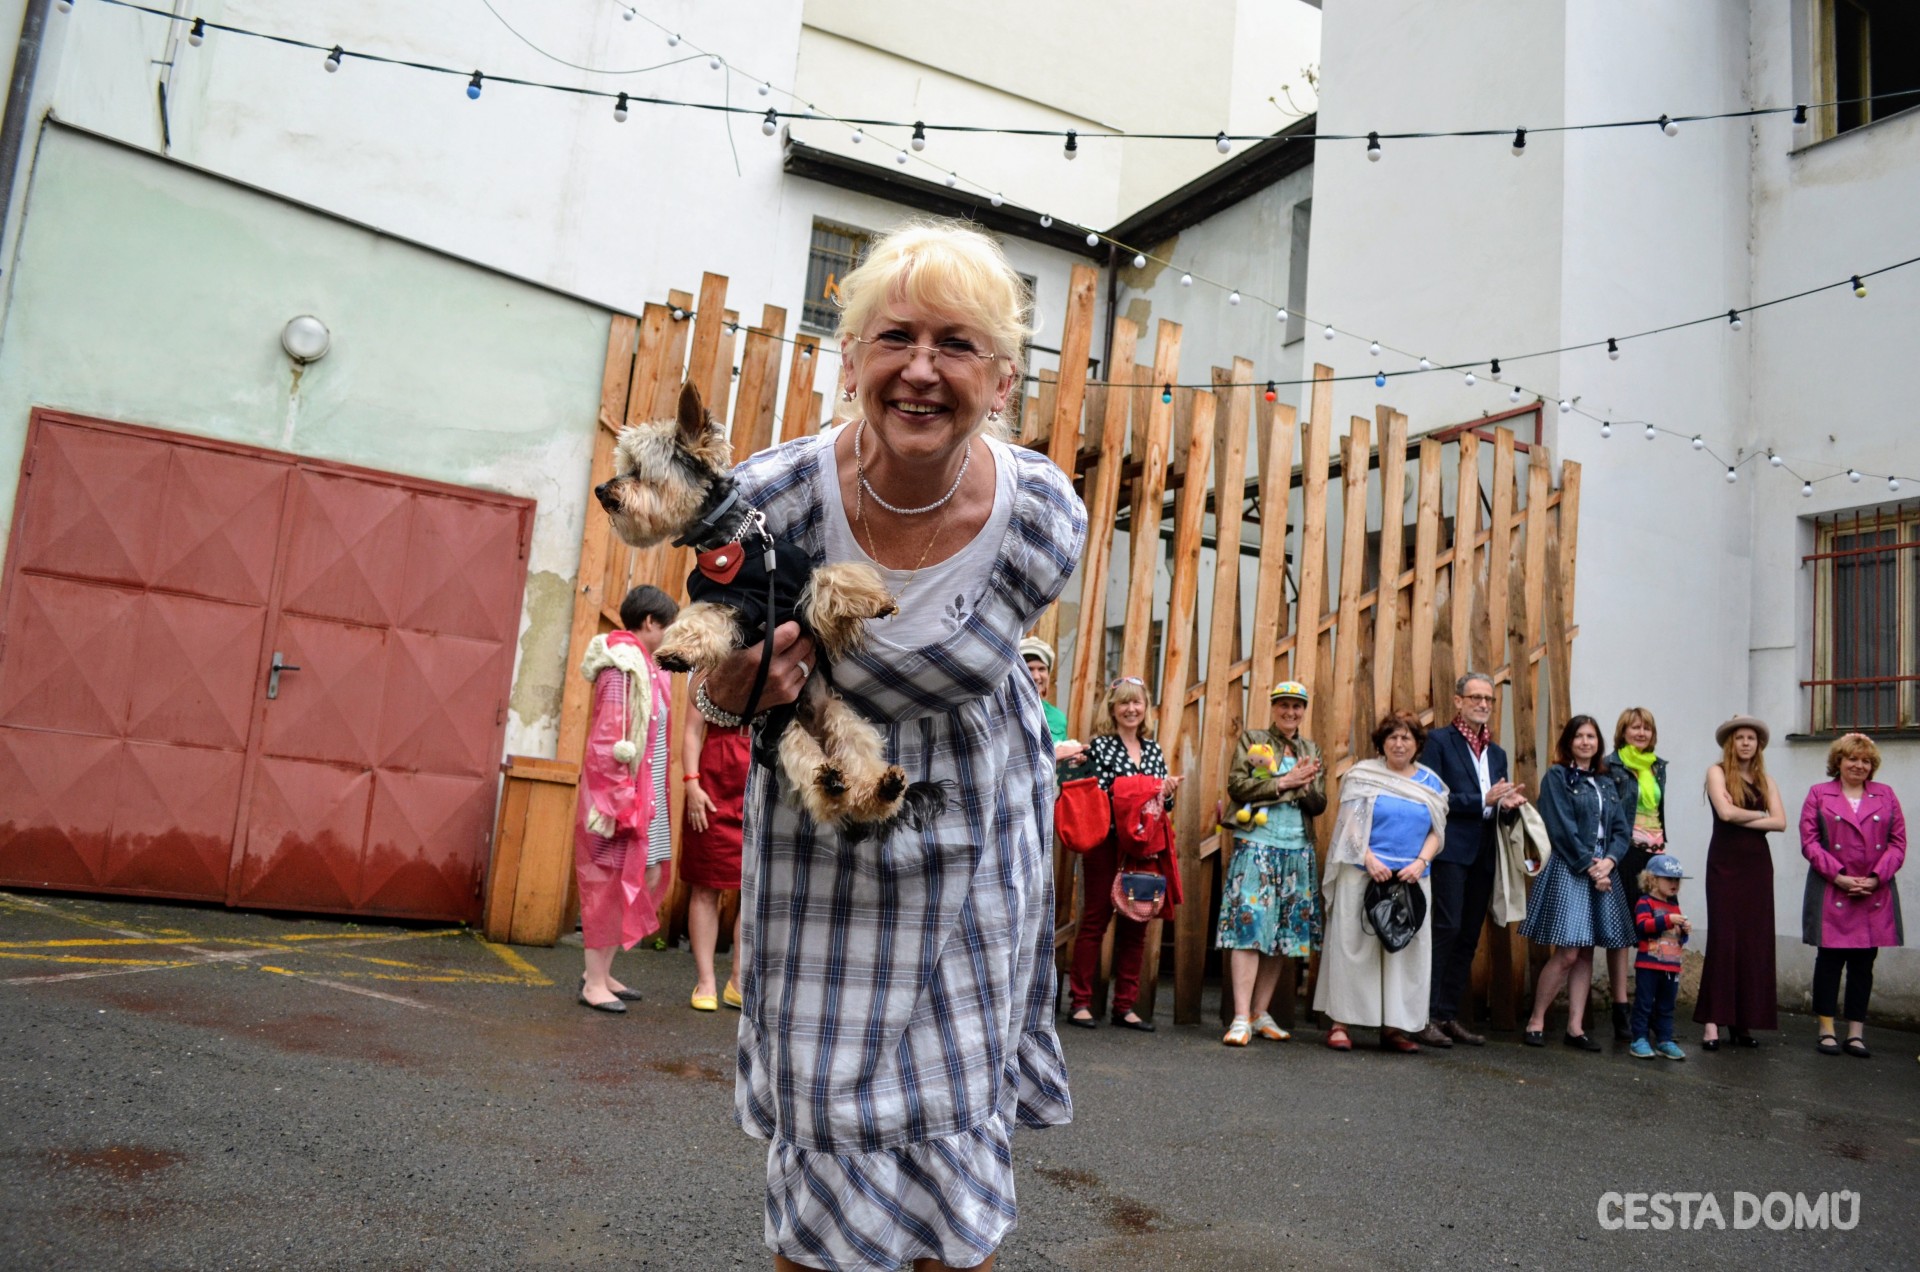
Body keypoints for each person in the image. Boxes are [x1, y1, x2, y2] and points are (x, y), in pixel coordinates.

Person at [699, 221, 1087, 1272]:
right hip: (827, 852)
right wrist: (735, 688)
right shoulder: (774, 503)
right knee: (824, 1143)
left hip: (978, 848)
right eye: (896, 338)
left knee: (955, 1145)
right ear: (851, 359)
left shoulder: (1038, 513)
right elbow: (719, 697)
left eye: (956, 344)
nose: (921, 369)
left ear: (1001, 379)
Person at [1314, 711, 1448, 1054]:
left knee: (1404, 954)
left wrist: (1421, 862)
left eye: (1406, 738)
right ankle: (1341, 1024)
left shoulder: (1432, 783)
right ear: (1382, 743)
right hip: (1364, 874)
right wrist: (1368, 858)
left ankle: (1394, 1028)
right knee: (1355, 949)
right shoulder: (1363, 776)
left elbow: (1437, 831)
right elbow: (1349, 826)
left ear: (1417, 744)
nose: (1399, 744)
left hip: (1411, 879)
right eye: (1392, 737)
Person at [573, 585, 679, 1013]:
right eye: (668, 626)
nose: (671, 635)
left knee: (646, 875)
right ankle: (593, 981)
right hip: (625, 797)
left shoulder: (649, 667)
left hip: (649, 795)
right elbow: (608, 739)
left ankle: (601, 971)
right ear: (650, 622)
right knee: (609, 884)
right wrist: (618, 800)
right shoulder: (621, 666)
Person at [1417, 673, 1526, 1048]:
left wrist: (1508, 805)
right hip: (1449, 850)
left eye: (1488, 699)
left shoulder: (1497, 753)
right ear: (1458, 701)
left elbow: (1496, 803)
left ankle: (1447, 1015)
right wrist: (1483, 800)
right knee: (1445, 929)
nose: (1483, 704)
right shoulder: (1438, 742)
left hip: (1485, 851)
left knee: (1467, 935)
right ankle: (1423, 1016)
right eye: (1475, 697)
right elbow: (1432, 797)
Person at [1069, 676, 1181, 1032]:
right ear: (1113, 709)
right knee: (1095, 921)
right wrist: (1151, 788)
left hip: (1145, 847)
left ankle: (1125, 1005)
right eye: (1124, 703)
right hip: (1106, 843)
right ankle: (1080, 1001)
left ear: (1145, 708)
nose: (1131, 709)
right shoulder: (1100, 747)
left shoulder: (1153, 749)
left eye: (1137, 702)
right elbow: (1103, 793)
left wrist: (1166, 792)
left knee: (1138, 923)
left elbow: (1164, 806)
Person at [1217, 681, 1326, 1046]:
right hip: (1257, 844)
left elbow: (1319, 804)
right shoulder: (1253, 739)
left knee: (1283, 934)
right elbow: (1238, 786)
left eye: (1297, 706)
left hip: (1297, 849)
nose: (1290, 712)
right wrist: (1285, 782)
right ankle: (1239, 1017)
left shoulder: (1311, 749)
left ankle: (1259, 1013)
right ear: (1274, 707)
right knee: (1248, 928)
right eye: (1284, 705)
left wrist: (1304, 786)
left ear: (1304, 711)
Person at [1520, 715, 1633, 1052]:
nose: (1586, 742)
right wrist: (1590, 867)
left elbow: (1621, 830)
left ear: (1599, 743)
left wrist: (1610, 861)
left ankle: (1575, 1027)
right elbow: (1560, 827)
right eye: (1579, 736)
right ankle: (1536, 1020)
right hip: (1572, 867)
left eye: (1591, 736)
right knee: (1568, 952)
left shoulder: (1606, 782)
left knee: (1586, 950)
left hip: (1603, 867)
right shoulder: (1557, 777)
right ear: (1569, 742)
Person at [1799, 733, 1907, 1059]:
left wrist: (1875, 878)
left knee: (1863, 965)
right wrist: (1839, 876)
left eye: (1866, 761)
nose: (1859, 765)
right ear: (1839, 762)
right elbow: (1810, 842)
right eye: (1853, 759)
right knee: (1829, 963)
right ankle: (1826, 1029)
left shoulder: (1886, 795)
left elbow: (1897, 843)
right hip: (1833, 887)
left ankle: (1856, 1033)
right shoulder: (1819, 794)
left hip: (1873, 892)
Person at [1694, 715, 1786, 1050]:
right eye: (1740, 737)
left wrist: (1753, 816)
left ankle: (1743, 1022)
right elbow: (1726, 813)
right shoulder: (1716, 772)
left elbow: (1781, 822)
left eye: (1751, 738)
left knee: (1752, 941)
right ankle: (1712, 1021)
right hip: (1725, 865)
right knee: (1724, 939)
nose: (1745, 743)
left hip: (1757, 868)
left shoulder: (1766, 780)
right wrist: (1761, 815)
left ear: (1758, 745)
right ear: (1730, 743)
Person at [679, 672, 749, 1012]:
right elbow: (692, 731)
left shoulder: (775, 663)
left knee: (754, 891)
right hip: (714, 781)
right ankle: (705, 981)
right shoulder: (709, 668)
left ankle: (738, 981)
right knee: (705, 885)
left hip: (760, 777)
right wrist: (692, 783)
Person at [1603, 706, 1668, 1039]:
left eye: (1647, 728)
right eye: (1635, 727)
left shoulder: (1657, 766)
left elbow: (1656, 811)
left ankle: (1651, 1008)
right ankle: (1621, 1008)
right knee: (1624, 931)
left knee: (1655, 931)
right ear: (1623, 732)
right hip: (1626, 852)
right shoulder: (1611, 765)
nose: (1641, 733)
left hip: (1655, 856)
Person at [1628, 854, 1692, 1061]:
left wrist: (1684, 931)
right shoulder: (1645, 902)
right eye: (1669, 879)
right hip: (1649, 964)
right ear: (1652, 879)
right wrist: (1668, 920)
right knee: (1644, 1003)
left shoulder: (1675, 907)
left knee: (1667, 1006)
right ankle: (1639, 1038)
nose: (1675, 884)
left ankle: (1665, 1040)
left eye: (1677, 880)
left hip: (1671, 965)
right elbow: (1643, 926)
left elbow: (1678, 939)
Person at [1020, 635, 1084, 762]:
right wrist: (1051, 755)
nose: (1036, 676)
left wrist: (1073, 758)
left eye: (1042, 669)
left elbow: (1060, 757)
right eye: (1029, 669)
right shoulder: (1002, 711)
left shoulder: (1057, 716)